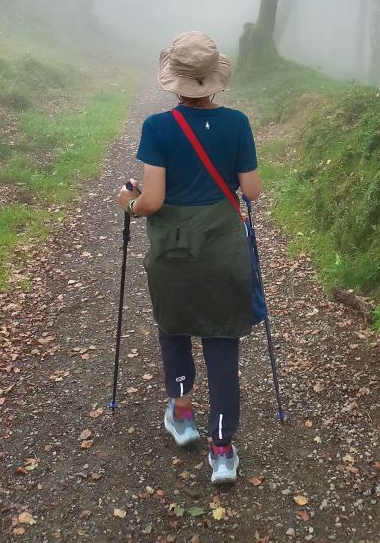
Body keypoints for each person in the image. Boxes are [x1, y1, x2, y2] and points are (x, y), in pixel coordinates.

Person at [118, 31, 261, 485]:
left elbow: (153, 201)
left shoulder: (157, 128)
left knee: (174, 326)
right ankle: (222, 449)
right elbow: (252, 191)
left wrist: (128, 202)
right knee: (221, 340)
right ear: (214, 80)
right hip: (222, 249)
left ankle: (181, 415)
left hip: (173, 251)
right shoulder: (237, 123)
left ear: (175, 83)